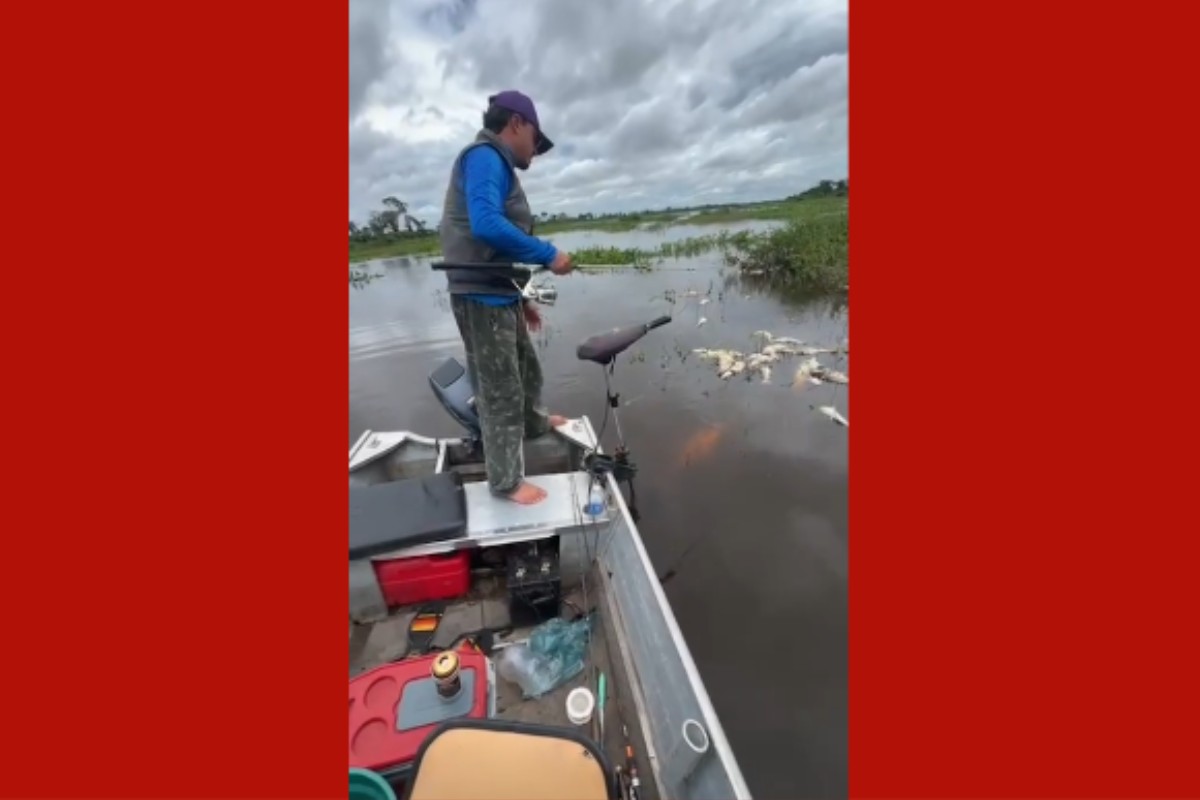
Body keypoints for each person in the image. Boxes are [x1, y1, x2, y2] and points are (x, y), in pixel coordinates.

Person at [438, 90, 574, 505]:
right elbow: (487, 226)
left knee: (526, 372)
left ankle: (533, 426)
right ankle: (506, 482)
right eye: (536, 138)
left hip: (500, 294)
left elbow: (496, 250)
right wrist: (549, 254)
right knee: (499, 390)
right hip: (480, 297)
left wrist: (524, 301)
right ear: (517, 123)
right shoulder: (484, 156)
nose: (536, 149)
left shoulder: (495, 163)